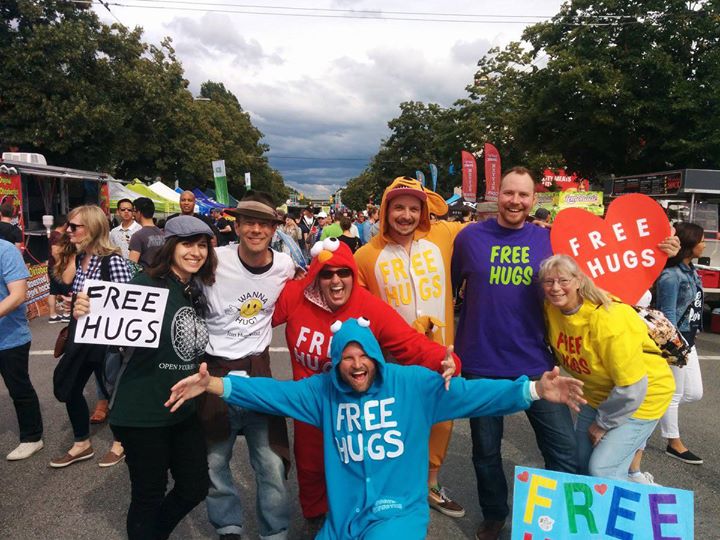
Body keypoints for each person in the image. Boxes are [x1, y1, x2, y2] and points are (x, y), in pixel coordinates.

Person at [165, 317, 585, 540]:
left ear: (376, 357)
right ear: (335, 363)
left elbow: (476, 395)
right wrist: (215, 384)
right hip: (344, 518)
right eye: (346, 358)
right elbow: (270, 393)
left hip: (398, 515)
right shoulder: (321, 392)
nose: (356, 364)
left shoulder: (414, 385)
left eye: (362, 355)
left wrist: (531, 389)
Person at [451, 167, 679, 540]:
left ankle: (568, 523)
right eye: (509, 193)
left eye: (524, 195)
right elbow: (452, 288)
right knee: (486, 451)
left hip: (539, 368)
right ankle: (494, 514)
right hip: (481, 364)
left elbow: (602, 268)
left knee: (563, 453)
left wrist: (663, 252)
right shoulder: (469, 238)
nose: (515, 201)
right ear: (498, 195)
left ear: (532, 200)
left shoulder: (549, 240)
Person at [273, 238, 461, 529]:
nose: (336, 281)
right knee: (310, 469)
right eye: (327, 274)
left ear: (352, 274)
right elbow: (251, 320)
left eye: (343, 272)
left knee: (355, 477)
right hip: (312, 407)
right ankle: (314, 521)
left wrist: (446, 362)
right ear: (315, 277)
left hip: (355, 412)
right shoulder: (296, 295)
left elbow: (411, 345)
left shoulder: (369, 307)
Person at [73, 216, 216, 540]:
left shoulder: (195, 289)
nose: (196, 252)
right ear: (170, 247)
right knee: (148, 495)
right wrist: (87, 309)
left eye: (202, 245)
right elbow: (111, 332)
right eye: (187, 244)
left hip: (182, 408)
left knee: (195, 486)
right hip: (141, 411)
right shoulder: (146, 284)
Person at [355, 176, 467, 518]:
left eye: (414, 208)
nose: (406, 215)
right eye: (399, 207)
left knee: (441, 421)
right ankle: (392, 491)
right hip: (393, 360)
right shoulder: (364, 255)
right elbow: (354, 307)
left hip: (442, 354)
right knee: (394, 424)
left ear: (423, 211)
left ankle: (431, 485)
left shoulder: (444, 236)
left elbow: (489, 233)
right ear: (386, 210)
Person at [199, 191, 294, 540]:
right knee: (214, 463)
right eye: (249, 222)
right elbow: (167, 282)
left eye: (264, 224)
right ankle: (228, 527)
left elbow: (318, 290)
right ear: (236, 226)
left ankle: (275, 532)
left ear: (274, 230)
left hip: (258, 375)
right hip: (214, 372)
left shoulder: (284, 266)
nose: (256, 230)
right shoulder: (213, 259)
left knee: (270, 464)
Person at [539, 254, 675, 480]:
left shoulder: (608, 319)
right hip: (598, 396)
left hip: (642, 396)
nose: (556, 288)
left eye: (563, 281)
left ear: (579, 281)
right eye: (549, 281)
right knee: (580, 462)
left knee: (603, 469)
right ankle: (595, 510)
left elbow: (632, 387)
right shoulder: (552, 309)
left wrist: (602, 424)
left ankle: (631, 501)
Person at [50, 205, 132, 468]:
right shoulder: (80, 259)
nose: (68, 231)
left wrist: (89, 305)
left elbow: (127, 304)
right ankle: (82, 442)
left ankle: (121, 442)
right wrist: (70, 305)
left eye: (75, 227)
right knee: (69, 386)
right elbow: (72, 293)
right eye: (68, 226)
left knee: (114, 391)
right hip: (81, 337)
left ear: (93, 228)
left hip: (107, 341)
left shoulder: (112, 260)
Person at [656, 222, 705, 465]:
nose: (704, 244)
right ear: (690, 245)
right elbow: (667, 314)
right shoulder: (670, 276)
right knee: (674, 395)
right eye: (702, 240)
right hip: (677, 341)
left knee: (694, 393)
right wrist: (675, 345)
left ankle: (645, 417)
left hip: (691, 338)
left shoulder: (691, 270)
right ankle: (674, 442)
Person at [0, 238, 44, 461]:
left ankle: (32, 438)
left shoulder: (5, 250)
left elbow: (17, 295)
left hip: (9, 337)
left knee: (19, 388)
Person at [128, 197, 165, 269]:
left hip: (145, 277)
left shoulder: (137, 236)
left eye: (134, 211)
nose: (133, 214)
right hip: (162, 276)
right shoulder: (163, 234)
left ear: (139, 213)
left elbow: (132, 266)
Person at [47, 216, 72, 324]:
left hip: (53, 266)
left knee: (53, 290)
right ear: (65, 224)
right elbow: (55, 252)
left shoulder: (53, 234)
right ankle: (66, 314)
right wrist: (60, 265)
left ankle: (53, 315)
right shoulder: (57, 236)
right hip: (58, 266)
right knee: (66, 288)